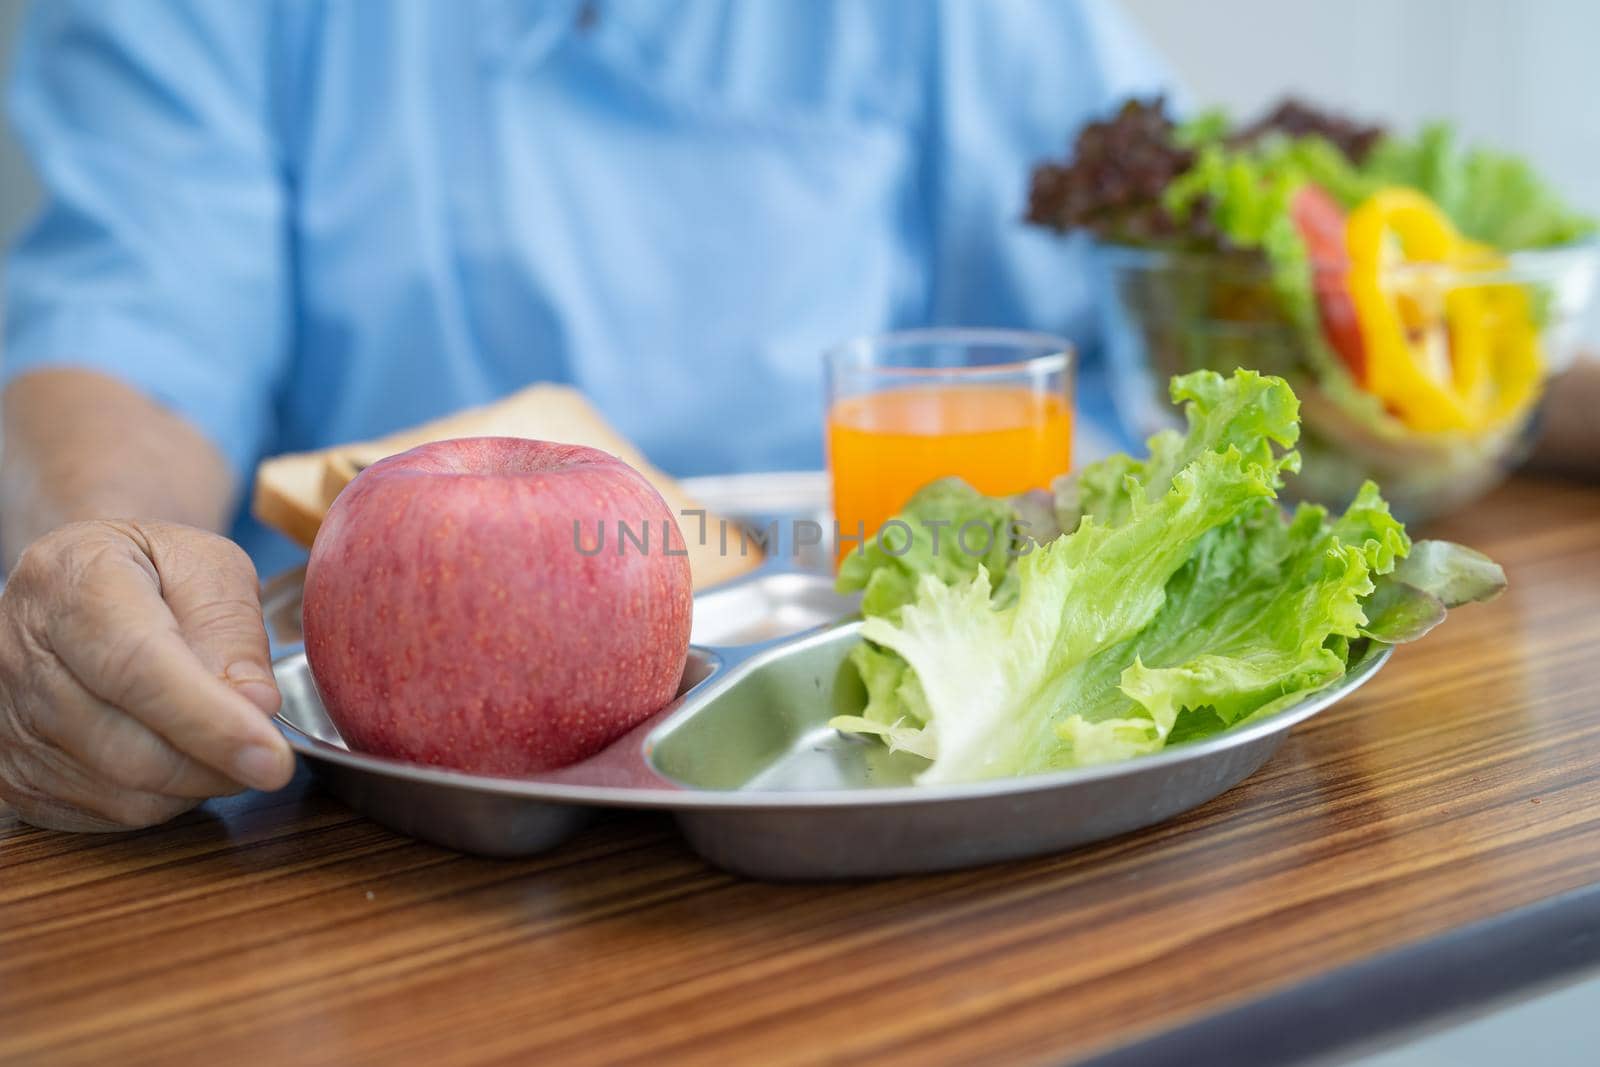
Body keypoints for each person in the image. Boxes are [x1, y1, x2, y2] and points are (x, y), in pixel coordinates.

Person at [0, 1, 1172, 831]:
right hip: (337, 823)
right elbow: (132, 323)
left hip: (841, 738)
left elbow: (1139, 315)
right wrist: (111, 555)